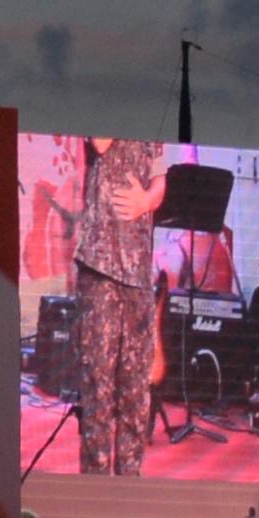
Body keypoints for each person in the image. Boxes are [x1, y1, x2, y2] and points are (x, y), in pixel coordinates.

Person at [69, 136, 164, 475]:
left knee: (136, 393)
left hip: (138, 273)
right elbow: (102, 143)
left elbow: (160, 180)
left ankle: (129, 484)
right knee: (98, 387)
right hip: (100, 266)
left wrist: (147, 201)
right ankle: (94, 487)